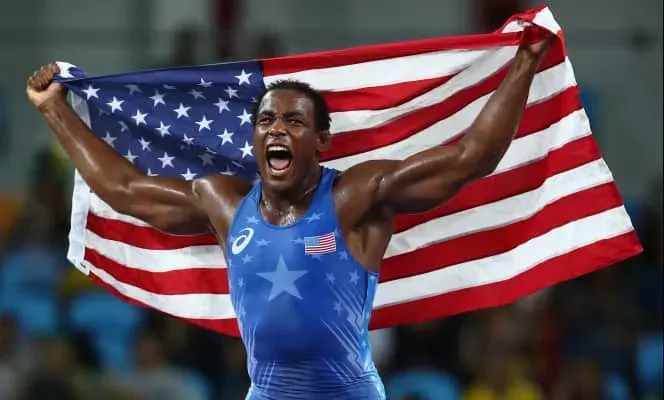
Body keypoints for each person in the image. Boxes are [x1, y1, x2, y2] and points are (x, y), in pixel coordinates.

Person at [26, 26, 554, 400]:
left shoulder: (354, 197)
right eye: (266, 121)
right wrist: (54, 110)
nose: (276, 128)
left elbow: (469, 159)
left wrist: (525, 63)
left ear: (322, 140)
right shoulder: (225, 203)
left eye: (293, 122)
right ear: (254, 138)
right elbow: (124, 190)